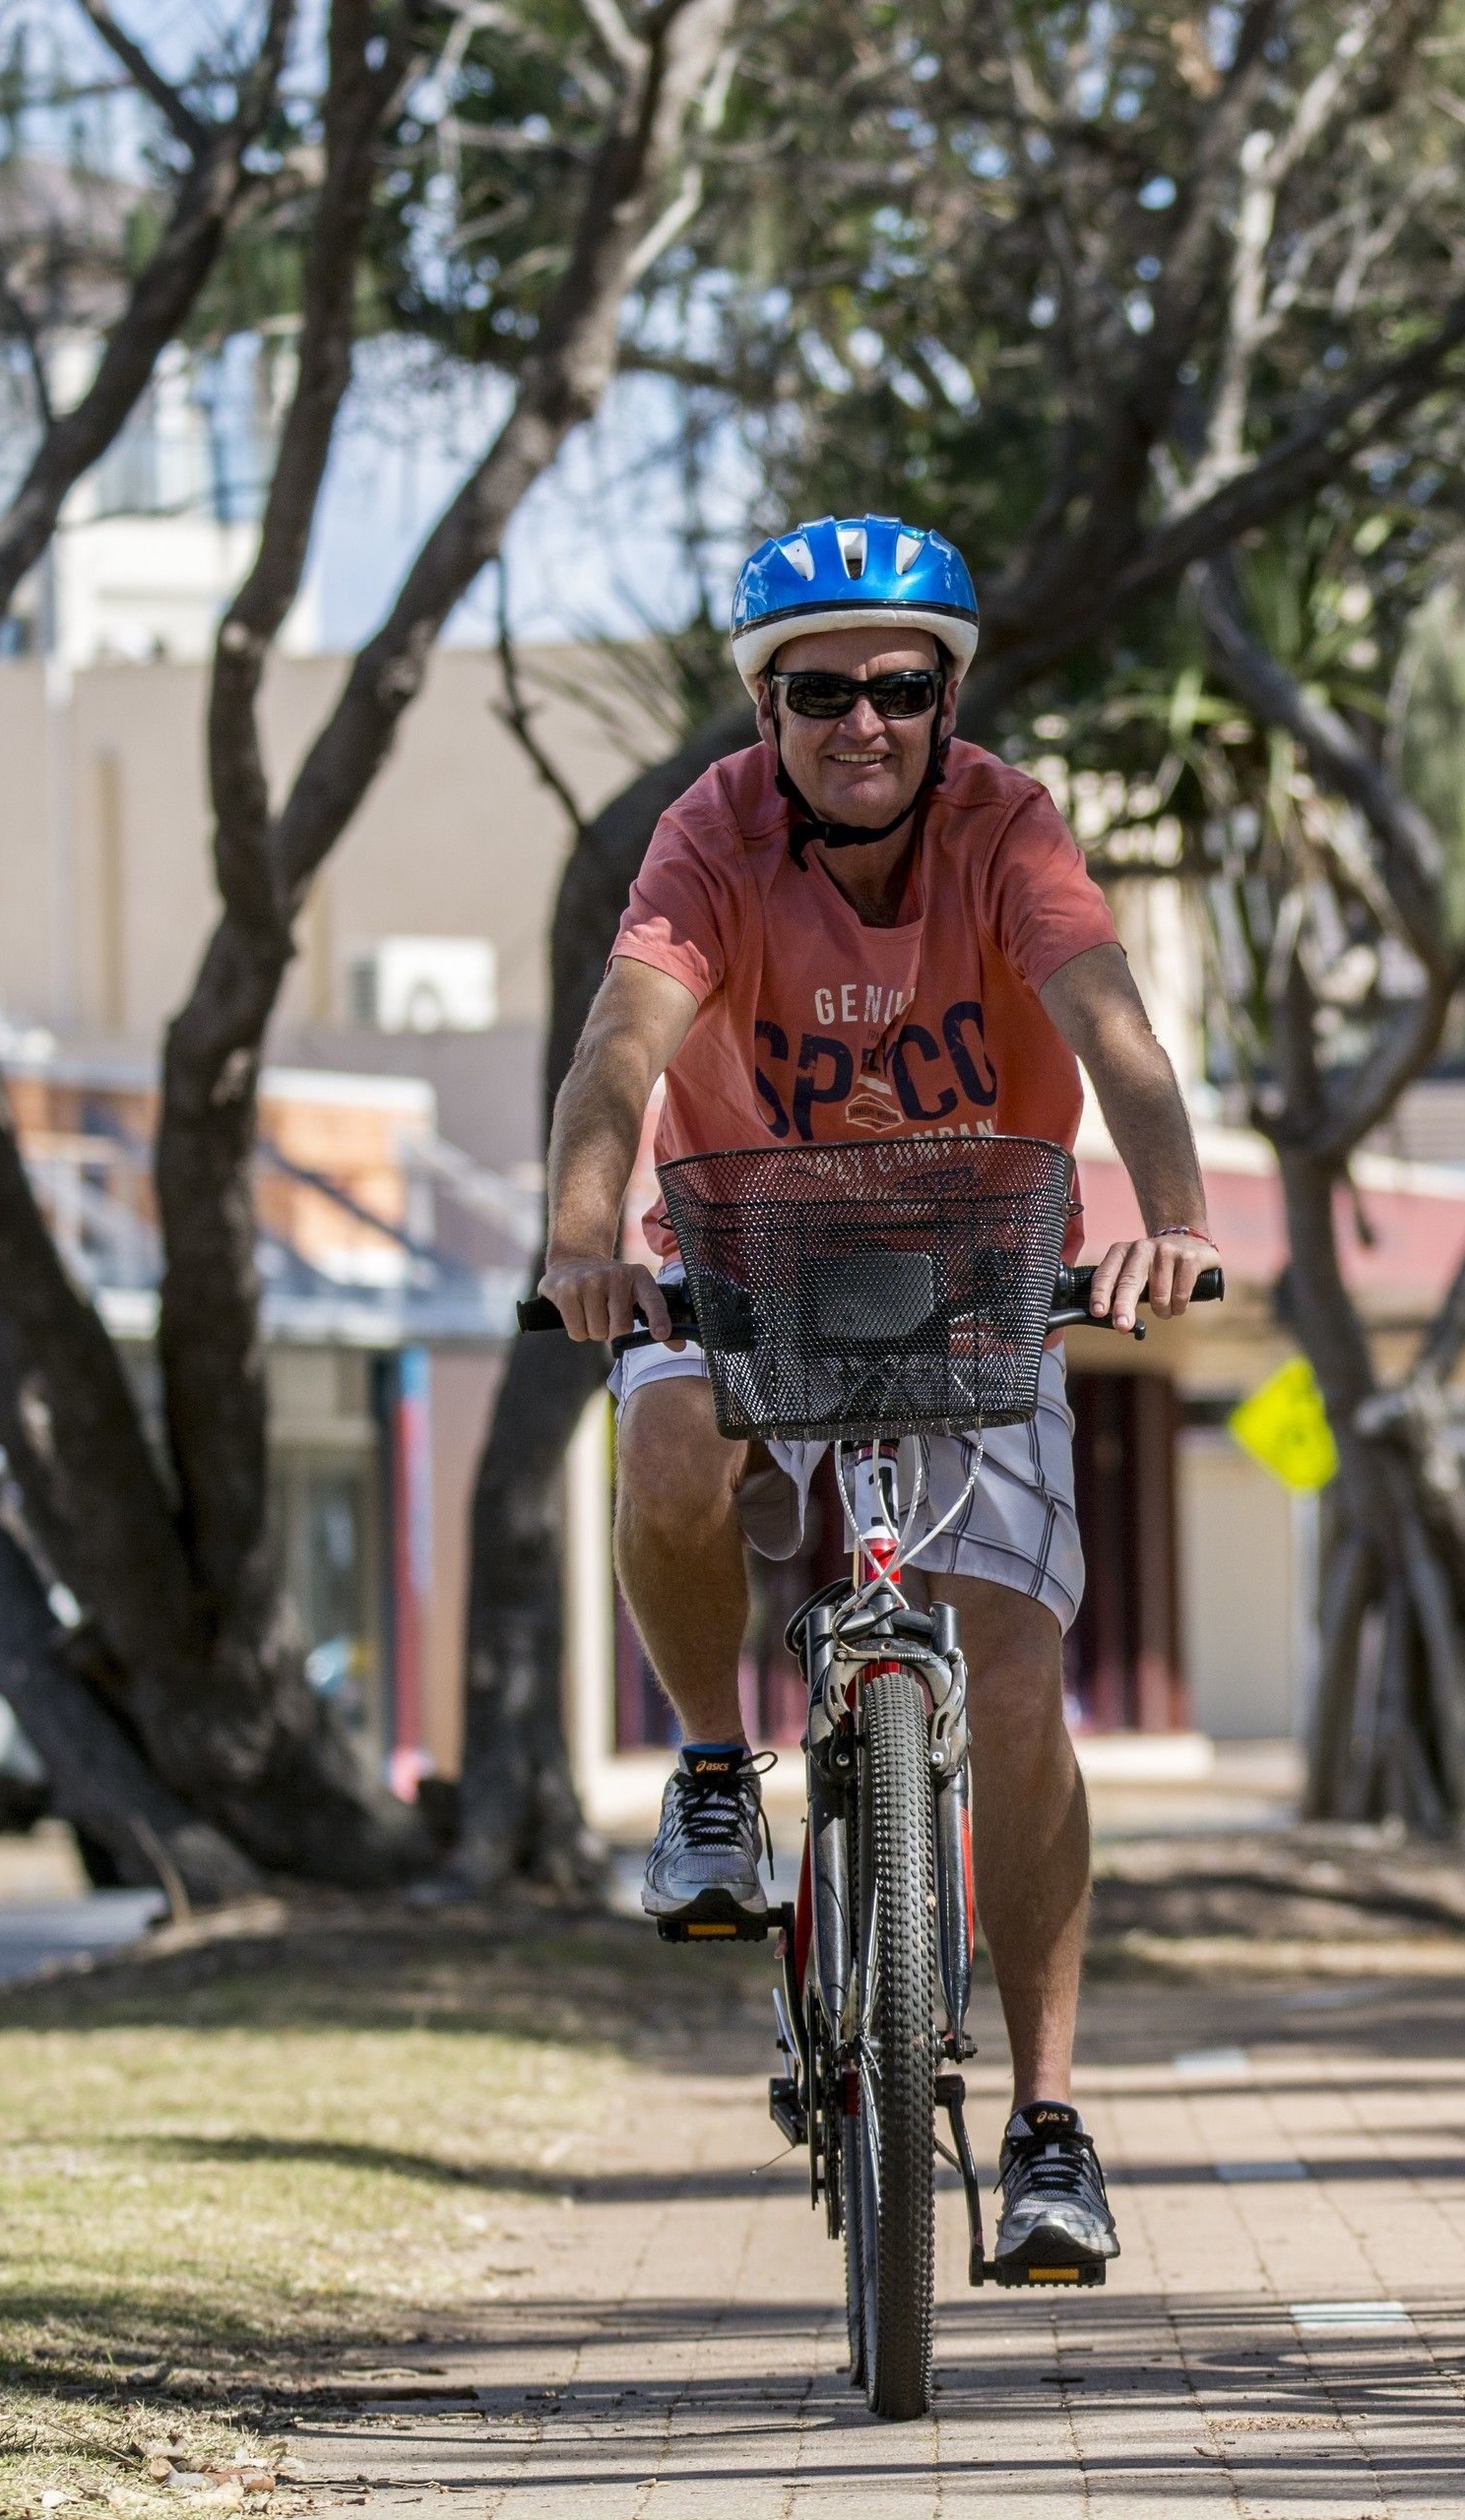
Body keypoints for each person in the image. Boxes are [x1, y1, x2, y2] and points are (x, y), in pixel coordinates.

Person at [534, 514, 1221, 2284]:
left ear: (946, 698)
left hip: (976, 1269)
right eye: (821, 689)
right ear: (768, 707)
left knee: (1008, 1673)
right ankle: (708, 1770)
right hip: (749, 1256)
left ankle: (1050, 2123)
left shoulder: (1009, 823)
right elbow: (622, 1043)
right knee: (667, 1428)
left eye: (899, 688)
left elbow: (1114, 1023)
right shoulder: (709, 834)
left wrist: (1177, 1220)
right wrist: (578, 1237)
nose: (863, 723)